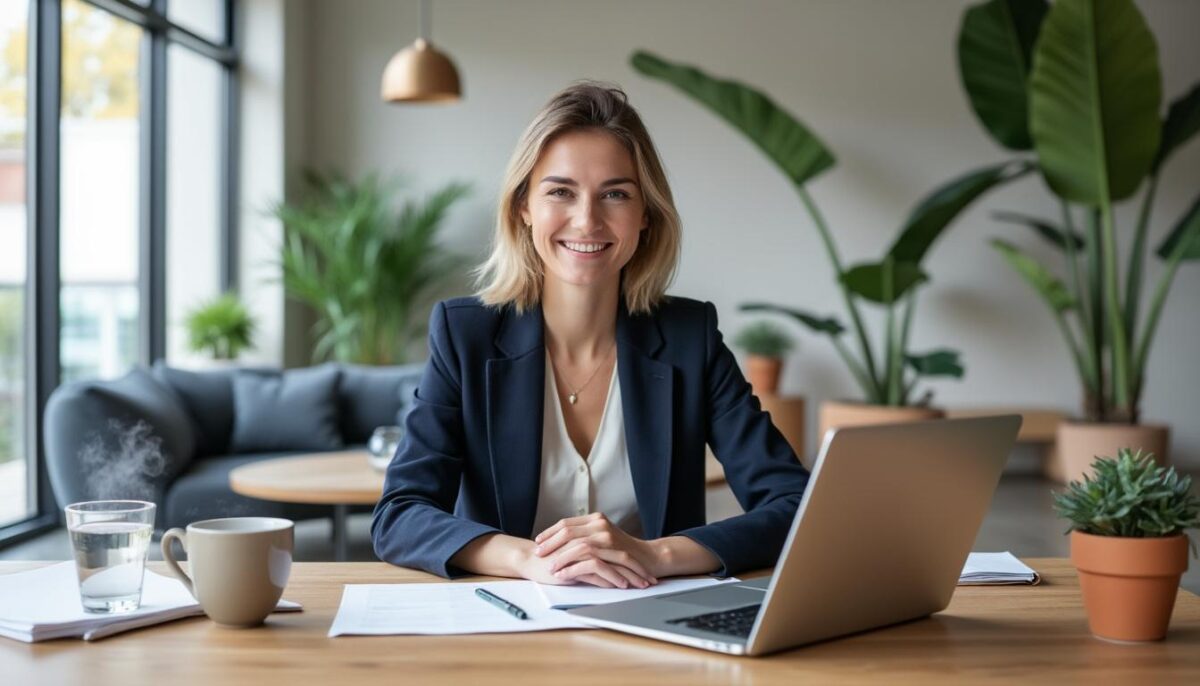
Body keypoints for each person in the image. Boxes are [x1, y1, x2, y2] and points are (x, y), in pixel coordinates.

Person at [371, 82, 810, 588]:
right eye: (560, 191)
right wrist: (527, 559)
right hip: (506, 629)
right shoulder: (464, 334)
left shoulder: (691, 337)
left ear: (645, 214)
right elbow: (399, 515)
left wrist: (656, 555)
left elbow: (795, 505)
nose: (587, 220)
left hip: (662, 631)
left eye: (615, 194)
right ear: (523, 206)